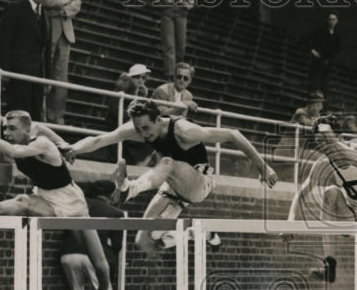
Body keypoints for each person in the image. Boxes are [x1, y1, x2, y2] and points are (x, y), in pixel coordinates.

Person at [0, 110, 114, 290]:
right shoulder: (32, 131)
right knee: (22, 201)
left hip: (72, 202)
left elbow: (13, 151)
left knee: (100, 264)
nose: (6, 133)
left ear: (27, 130)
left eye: (12, 129)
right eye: (4, 129)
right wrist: (64, 145)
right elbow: (41, 127)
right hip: (45, 198)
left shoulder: (41, 144)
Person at [68, 99, 278, 256]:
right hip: (173, 187)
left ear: (158, 120)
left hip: (199, 184)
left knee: (168, 163)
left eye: (146, 128)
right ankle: (199, 235)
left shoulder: (184, 131)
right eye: (138, 129)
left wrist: (263, 167)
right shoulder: (142, 127)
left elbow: (233, 135)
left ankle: (129, 189)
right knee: (144, 241)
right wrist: (72, 149)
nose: (143, 134)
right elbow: (101, 139)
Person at [287, 115, 357, 283]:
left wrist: (328, 134)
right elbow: (301, 193)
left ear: (338, 138)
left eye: (326, 142)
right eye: (320, 145)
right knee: (331, 192)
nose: (324, 148)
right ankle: (329, 265)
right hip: (351, 215)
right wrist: (290, 220)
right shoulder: (324, 163)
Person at [60, 182, 137, 290]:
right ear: (110, 195)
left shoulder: (79, 205)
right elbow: (117, 246)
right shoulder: (116, 213)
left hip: (68, 253)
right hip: (93, 256)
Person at [28, 0, 81, 125]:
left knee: (61, 78)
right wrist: (64, 0)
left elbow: (78, 3)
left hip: (65, 30)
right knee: (43, 73)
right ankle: (40, 115)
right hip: (45, 27)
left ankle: (56, 117)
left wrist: (65, 10)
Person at [0, 0, 56, 120]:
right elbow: (3, 42)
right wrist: (4, 71)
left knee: (35, 117)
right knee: (17, 115)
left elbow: (47, 50)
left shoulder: (47, 15)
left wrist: (48, 78)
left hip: (37, 76)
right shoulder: (15, 8)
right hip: (17, 73)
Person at [102, 71, 156, 166]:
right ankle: (140, 164)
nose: (140, 80)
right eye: (137, 77)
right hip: (117, 127)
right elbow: (116, 113)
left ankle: (143, 163)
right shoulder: (118, 94)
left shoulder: (140, 95)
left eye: (143, 78)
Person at [158, 0, 195, 80]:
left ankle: (179, 72)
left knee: (181, 45)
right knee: (169, 43)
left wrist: (188, 5)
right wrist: (160, 1)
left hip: (181, 13)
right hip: (167, 11)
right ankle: (169, 73)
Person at [304, 12, 341, 97]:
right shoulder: (320, 31)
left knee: (325, 87)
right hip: (318, 61)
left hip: (328, 63)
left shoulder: (337, 35)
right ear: (327, 21)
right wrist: (312, 50)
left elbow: (338, 48)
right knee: (315, 85)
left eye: (333, 19)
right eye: (330, 19)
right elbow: (306, 37)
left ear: (337, 21)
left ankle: (323, 107)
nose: (332, 21)